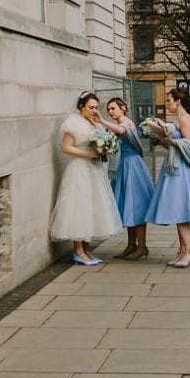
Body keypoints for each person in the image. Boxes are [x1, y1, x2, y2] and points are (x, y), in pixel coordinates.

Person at [50, 91, 123, 265]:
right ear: (81, 106)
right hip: (80, 169)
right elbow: (66, 148)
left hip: (94, 170)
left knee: (93, 207)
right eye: (91, 107)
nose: (94, 110)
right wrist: (88, 154)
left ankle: (87, 249)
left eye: (96, 107)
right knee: (80, 207)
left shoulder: (95, 124)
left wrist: (104, 151)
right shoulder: (72, 123)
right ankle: (78, 251)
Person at [144, 88, 190, 268]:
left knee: (181, 211)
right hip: (173, 168)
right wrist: (159, 137)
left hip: (182, 170)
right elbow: (173, 145)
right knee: (178, 210)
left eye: (169, 100)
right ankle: (182, 251)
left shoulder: (185, 119)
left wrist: (168, 138)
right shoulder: (177, 120)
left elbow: (189, 146)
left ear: (178, 101)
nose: (167, 103)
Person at [99, 97, 154, 260]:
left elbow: (122, 131)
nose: (110, 112)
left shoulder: (126, 123)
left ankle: (142, 246)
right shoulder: (117, 125)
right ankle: (131, 245)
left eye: (113, 108)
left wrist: (101, 120)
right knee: (128, 206)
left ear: (123, 108)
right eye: (108, 109)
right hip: (123, 166)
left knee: (136, 205)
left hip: (132, 166)